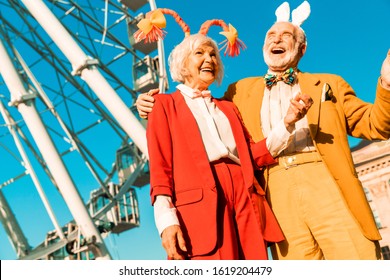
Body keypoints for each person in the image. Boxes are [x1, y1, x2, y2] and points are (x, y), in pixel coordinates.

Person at [136, 1, 390, 260]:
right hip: (273, 192)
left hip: (318, 184)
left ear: (301, 48)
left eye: (285, 35)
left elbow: (377, 124)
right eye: (271, 35)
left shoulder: (328, 84)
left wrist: (387, 82)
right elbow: (169, 153)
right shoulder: (239, 92)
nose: (276, 39)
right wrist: (149, 105)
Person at [135, 9, 312, 260]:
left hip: (245, 197)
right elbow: (161, 169)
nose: (209, 59)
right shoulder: (163, 104)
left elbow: (251, 155)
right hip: (200, 203)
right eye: (200, 53)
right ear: (182, 62)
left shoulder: (228, 108)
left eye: (213, 54)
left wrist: (287, 123)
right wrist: (166, 220)